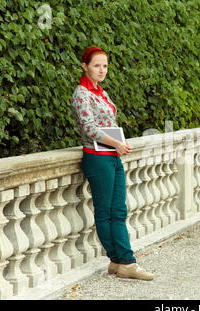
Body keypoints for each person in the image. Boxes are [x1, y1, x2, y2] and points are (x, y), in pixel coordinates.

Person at [71, 46, 153, 281]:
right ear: (85, 66)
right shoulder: (81, 94)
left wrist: (121, 144)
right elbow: (89, 128)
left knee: (118, 210)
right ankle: (125, 260)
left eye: (105, 66)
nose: (101, 70)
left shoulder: (101, 93)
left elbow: (107, 124)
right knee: (106, 212)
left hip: (112, 156)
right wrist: (116, 144)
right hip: (97, 158)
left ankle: (117, 262)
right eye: (96, 65)